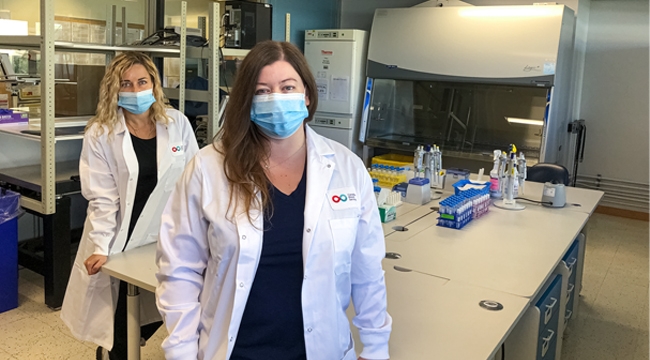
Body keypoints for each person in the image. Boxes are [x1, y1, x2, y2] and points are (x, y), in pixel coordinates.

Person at [156, 40, 391, 360]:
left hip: (322, 350)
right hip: (236, 351)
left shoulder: (347, 168)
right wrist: (181, 351)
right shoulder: (208, 167)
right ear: (246, 102)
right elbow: (179, 269)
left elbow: (367, 270)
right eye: (262, 91)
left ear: (307, 95)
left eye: (287, 86)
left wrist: (376, 347)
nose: (275, 99)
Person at [60, 51, 199, 360]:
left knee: (163, 304)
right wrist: (100, 245)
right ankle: (114, 353)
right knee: (123, 315)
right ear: (115, 89)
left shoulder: (177, 123)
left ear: (154, 84)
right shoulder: (101, 132)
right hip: (121, 236)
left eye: (142, 82)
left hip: (166, 233)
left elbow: (194, 180)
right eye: (126, 84)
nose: (136, 91)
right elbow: (102, 197)